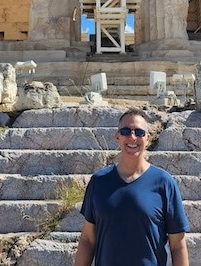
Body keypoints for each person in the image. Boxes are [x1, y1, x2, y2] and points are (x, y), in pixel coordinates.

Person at [73, 108, 190, 266]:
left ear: (147, 138)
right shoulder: (99, 181)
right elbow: (87, 240)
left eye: (139, 132)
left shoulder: (164, 183)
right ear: (117, 136)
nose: (132, 137)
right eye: (126, 131)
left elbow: (178, 245)